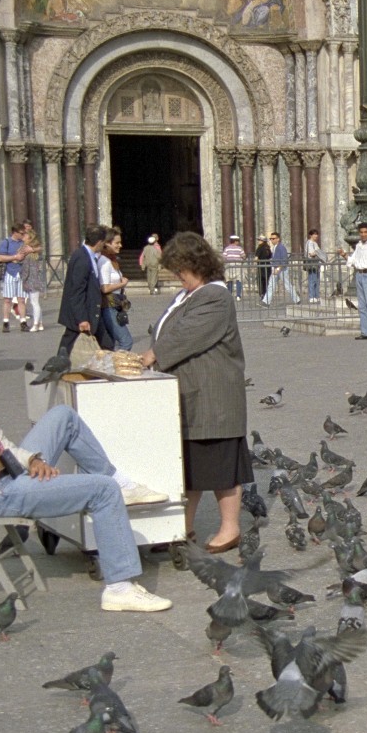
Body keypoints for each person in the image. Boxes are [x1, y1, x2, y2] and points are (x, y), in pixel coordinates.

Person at [0, 320, 171, 612]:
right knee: (103, 492)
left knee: (62, 416)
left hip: (7, 471)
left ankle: (122, 482)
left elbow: (2, 443)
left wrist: (30, 459)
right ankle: (119, 587)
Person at [142, 232, 251, 553]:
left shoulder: (216, 296)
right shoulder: (188, 294)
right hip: (191, 394)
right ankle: (182, 527)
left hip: (213, 395)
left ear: (197, 264)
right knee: (188, 466)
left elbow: (186, 336)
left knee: (219, 466)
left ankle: (230, 528)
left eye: (180, 269)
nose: (178, 276)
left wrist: (151, 355)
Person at [56, 224, 107, 357]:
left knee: (106, 342)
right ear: (100, 242)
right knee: (68, 345)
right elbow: (76, 291)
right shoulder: (82, 258)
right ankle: (56, 368)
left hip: (89, 311)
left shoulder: (87, 256)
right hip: (82, 313)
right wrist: (82, 318)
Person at [96, 227, 133, 351]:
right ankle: (118, 367)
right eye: (117, 243)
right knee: (126, 341)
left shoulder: (112, 261)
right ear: (107, 244)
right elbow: (105, 288)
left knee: (112, 344)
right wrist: (122, 284)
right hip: (108, 306)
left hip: (115, 305)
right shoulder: (105, 262)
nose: (120, 245)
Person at [0, 223, 32, 332]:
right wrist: (15, 257)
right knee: (7, 299)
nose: (23, 235)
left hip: (22, 273)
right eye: (21, 233)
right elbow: (0, 257)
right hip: (10, 272)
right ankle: (6, 322)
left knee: (21, 299)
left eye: (24, 233)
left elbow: (37, 249)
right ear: (15, 233)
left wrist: (31, 250)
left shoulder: (24, 243)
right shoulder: (6, 242)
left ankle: (23, 322)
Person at [20, 222, 47, 332]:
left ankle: (36, 324)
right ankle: (40, 323)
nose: (23, 237)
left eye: (25, 235)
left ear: (29, 237)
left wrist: (23, 278)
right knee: (36, 302)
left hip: (32, 279)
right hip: (36, 278)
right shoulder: (33, 251)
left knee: (34, 302)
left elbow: (26, 269)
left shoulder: (28, 251)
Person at [262, 232, 297, 305]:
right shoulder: (275, 247)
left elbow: (284, 259)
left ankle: (297, 299)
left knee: (287, 285)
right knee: (271, 285)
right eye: (271, 239)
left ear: (278, 239)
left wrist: (278, 269)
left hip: (281, 270)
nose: (272, 240)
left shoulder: (281, 247)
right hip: (275, 269)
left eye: (273, 238)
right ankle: (266, 302)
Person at [222, 235, 248, 301]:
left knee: (229, 280)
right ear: (235, 241)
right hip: (238, 265)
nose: (238, 242)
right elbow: (244, 257)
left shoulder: (227, 249)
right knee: (239, 280)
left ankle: (229, 295)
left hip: (229, 266)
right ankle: (238, 296)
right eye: (238, 241)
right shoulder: (239, 248)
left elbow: (224, 257)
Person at [304, 229, 323, 303]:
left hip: (316, 262)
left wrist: (317, 252)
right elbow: (311, 253)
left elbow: (317, 251)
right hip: (311, 263)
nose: (316, 236)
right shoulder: (309, 243)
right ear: (311, 235)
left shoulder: (315, 243)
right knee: (312, 279)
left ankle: (316, 296)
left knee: (316, 280)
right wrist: (318, 252)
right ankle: (311, 296)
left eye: (317, 234)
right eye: (314, 234)